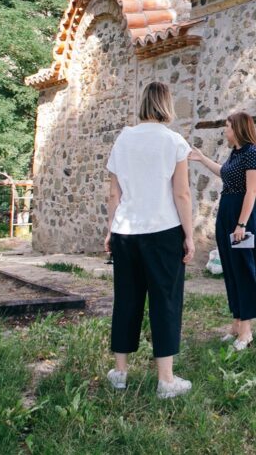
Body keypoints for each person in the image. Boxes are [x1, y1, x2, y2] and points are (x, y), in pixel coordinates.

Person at [103, 82, 195, 399]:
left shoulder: (123, 139)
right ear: (166, 105)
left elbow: (114, 193)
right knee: (165, 301)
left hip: (126, 232)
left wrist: (110, 230)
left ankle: (120, 372)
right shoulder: (174, 142)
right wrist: (190, 235)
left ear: (143, 103)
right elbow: (181, 193)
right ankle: (165, 380)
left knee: (126, 299)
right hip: (164, 231)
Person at [188, 111, 256, 350]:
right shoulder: (236, 153)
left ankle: (246, 331)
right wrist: (202, 158)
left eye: (227, 127)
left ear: (239, 129)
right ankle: (236, 325)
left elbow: (251, 192)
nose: (225, 130)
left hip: (241, 217)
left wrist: (241, 224)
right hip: (227, 213)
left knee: (244, 269)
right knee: (231, 270)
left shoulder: (253, 153)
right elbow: (224, 173)